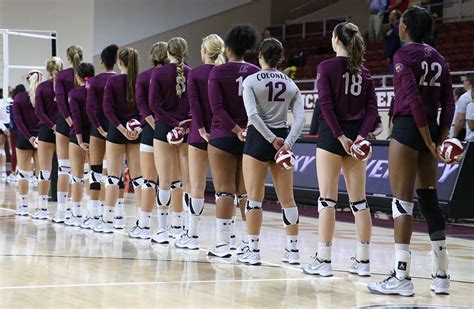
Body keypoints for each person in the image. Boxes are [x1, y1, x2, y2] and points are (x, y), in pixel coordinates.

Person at [368, 6, 454, 296]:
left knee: (401, 203)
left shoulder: (402, 55)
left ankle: (402, 277)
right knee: (429, 200)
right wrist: (438, 138)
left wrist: (429, 140)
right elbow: (449, 102)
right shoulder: (440, 58)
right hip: (430, 128)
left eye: (400, 23)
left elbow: (414, 100)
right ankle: (441, 274)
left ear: (405, 27)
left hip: (408, 130)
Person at [302, 22, 379, 277]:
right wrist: (358, 137)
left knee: (327, 200)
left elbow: (325, 105)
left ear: (335, 39)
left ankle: (324, 260)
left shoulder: (325, 67)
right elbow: (373, 112)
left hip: (332, 137)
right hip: (356, 140)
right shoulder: (365, 72)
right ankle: (364, 261)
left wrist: (340, 136)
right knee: (360, 202)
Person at [238, 38, 305, 266]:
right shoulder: (291, 83)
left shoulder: (251, 80)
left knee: (254, 199)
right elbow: (301, 118)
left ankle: (254, 250)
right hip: (282, 140)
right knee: (288, 200)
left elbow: (253, 115)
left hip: (259, 138)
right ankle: (293, 250)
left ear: (260, 55)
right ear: (281, 58)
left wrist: (270, 139)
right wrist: (287, 142)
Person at [207, 25, 260, 258]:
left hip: (222, 136)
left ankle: (222, 245)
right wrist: (245, 129)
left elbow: (217, 109)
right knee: (245, 194)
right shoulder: (256, 71)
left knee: (224, 193)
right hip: (250, 137)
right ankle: (248, 245)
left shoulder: (217, 72)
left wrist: (235, 129)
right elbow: (259, 108)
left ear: (227, 48)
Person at [174, 34, 226, 249]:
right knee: (225, 188)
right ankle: (227, 240)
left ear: (204, 51)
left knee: (196, 185)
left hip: (199, 134)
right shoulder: (224, 71)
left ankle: (192, 235)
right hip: (223, 133)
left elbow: (194, 104)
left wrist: (201, 128)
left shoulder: (195, 73)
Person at [149, 37, 191, 244]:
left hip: (164, 128)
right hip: (187, 129)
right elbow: (196, 104)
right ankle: (184, 229)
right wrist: (183, 123)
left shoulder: (158, 72)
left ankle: (163, 231)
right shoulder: (191, 73)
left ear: (168, 53)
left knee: (164, 181)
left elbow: (153, 105)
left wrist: (172, 122)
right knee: (186, 182)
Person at [96, 47, 142, 233]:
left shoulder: (113, 81)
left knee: (113, 177)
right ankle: (142, 222)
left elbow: (107, 109)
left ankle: (108, 222)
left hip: (116, 132)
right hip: (136, 133)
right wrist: (136, 128)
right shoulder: (140, 81)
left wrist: (122, 129)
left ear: (119, 62)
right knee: (139, 179)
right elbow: (144, 110)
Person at [128, 41, 168, 239]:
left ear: (152, 56)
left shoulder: (144, 77)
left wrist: (155, 125)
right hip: (175, 132)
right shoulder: (176, 74)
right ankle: (172, 228)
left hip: (152, 132)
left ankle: (144, 226)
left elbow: (143, 107)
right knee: (173, 182)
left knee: (149, 181)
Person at [83, 44, 119, 229]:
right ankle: (117, 216)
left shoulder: (94, 81)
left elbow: (89, 108)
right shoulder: (121, 79)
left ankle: (94, 215)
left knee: (95, 171)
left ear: (102, 61)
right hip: (118, 129)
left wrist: (99, 128)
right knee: (115, 173)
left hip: (99, 129)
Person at [52, 45, 83, 223]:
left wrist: (69, 120)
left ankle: (62, 212)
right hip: (85, 123)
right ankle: (78, 212)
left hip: (65, 123)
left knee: (64, 168)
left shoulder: (61, 76)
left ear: (68, 58)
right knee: (81, 171)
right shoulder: (86, 71)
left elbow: (62, 102)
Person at [33, 57, 63, 219]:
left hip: (46, 130)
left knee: (44, 171)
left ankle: (42, 209)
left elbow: (39, 112)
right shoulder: (65, 86)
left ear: (47, 69)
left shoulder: (42, 87)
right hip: (63, 130)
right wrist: (59, 126)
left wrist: (52, 126)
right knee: (65, 170)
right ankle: (66, 209)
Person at [66, 63, 95, 226]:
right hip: (95, 135)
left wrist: (79, 140)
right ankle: (93, 214)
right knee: (95, 174)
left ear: (78, 77)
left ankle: (76, 214)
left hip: (79, 136)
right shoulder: (96, 91)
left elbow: (76, 117)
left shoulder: (74, 93)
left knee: (76, 176)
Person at [13, 72, 42, 216]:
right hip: (41, 137)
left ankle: (23, 207)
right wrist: (36, 136)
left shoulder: (19, 97)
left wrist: (29, 137)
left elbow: (18, 121)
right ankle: (41, 207)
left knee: (23, 173)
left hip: (24, 138)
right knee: (42, 174)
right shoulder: (43, 96)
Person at [450, 73, 473, 139]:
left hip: (467, 133)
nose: (463, 83)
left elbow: (460, 119)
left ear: (468, 82)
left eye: (464, 81)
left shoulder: (465, 97)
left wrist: (454, 136)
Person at [385, 10, 401, 74]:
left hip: (395, 57)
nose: (389, 16)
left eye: (390, 14)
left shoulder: (397, 27)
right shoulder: (393, 27)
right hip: (393, 57)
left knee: (395, 76)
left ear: (395, 16)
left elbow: (395, 42)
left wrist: (389, 55)